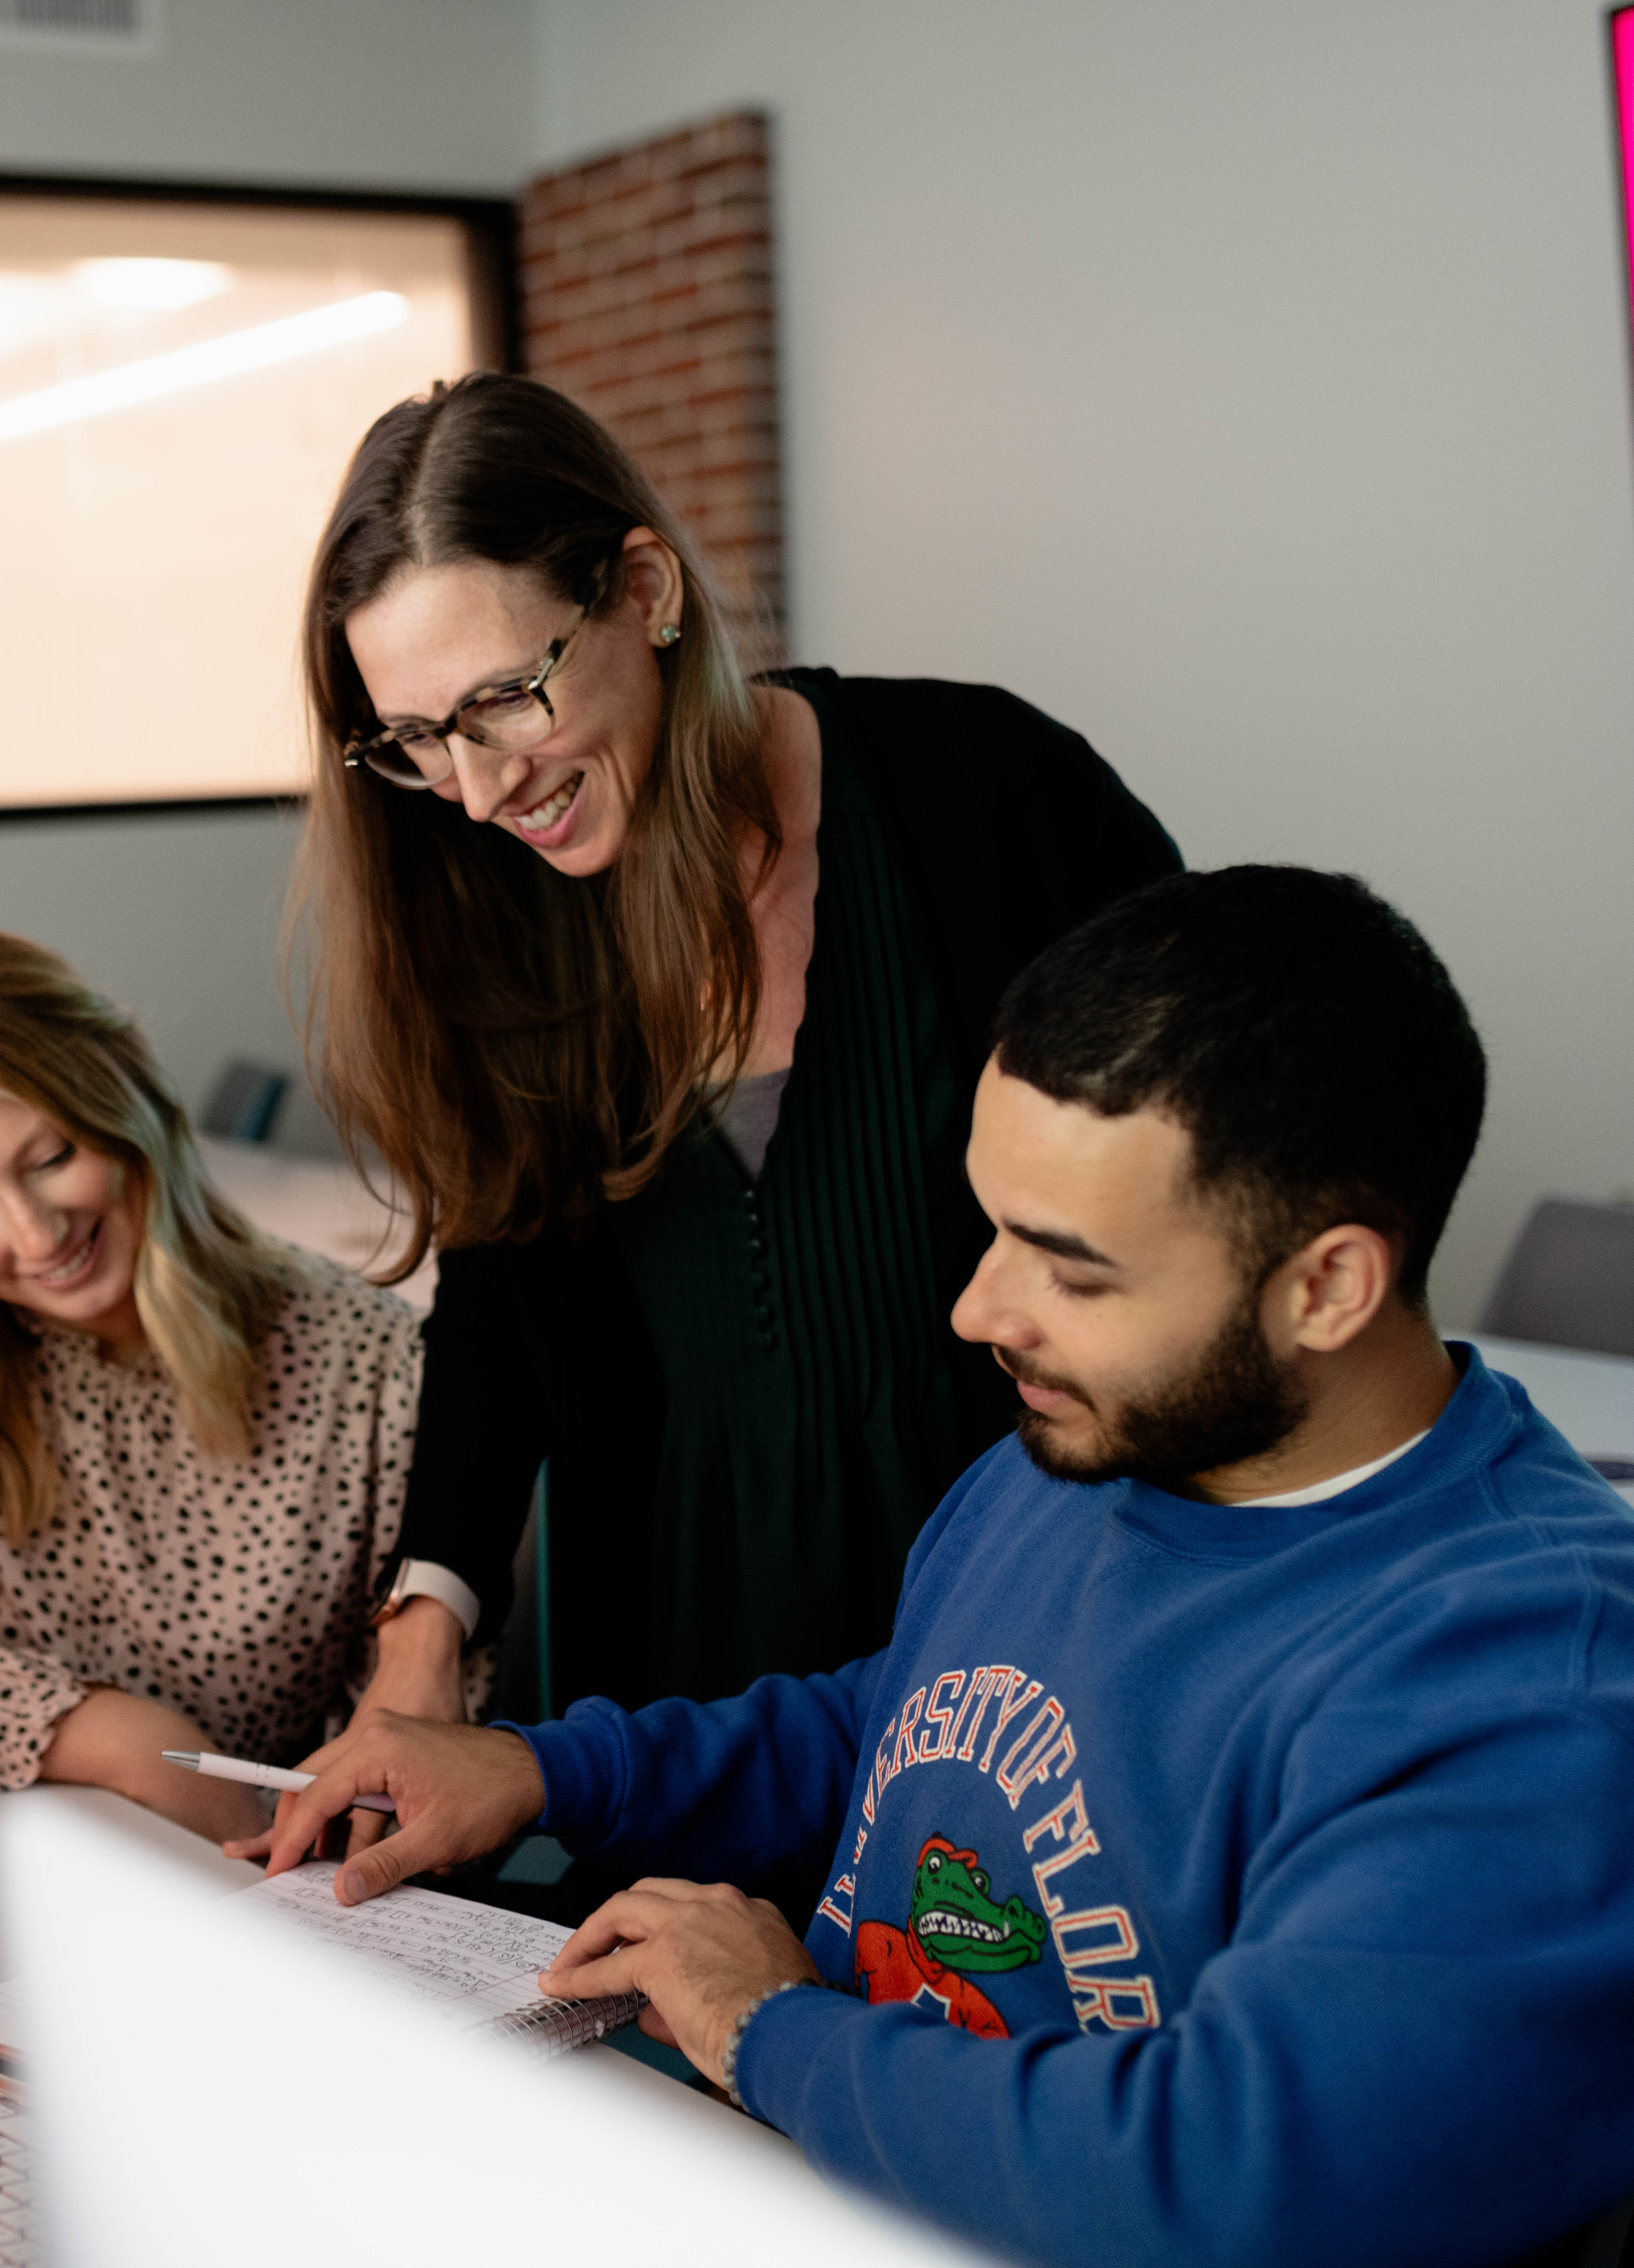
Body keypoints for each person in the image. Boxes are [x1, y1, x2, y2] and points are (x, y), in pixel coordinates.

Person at [252, 868, 1634, 2268]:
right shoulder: (1086, 1452)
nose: (979, 1310)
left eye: (1068, 1266)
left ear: (1325, 1286)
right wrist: (541, 1771)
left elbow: (1228, 2183)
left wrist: (770, 2027)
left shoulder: (1550, 1699)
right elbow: (904, 1727)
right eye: (987, 1231)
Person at [300, 373, 1183, 1757]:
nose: (474, 793)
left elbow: (1209, 1194)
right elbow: (499, 1303)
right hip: (673, 1688)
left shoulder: (991, 792)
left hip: (1036, 1634)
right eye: (414, 741)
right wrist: (417, 1645)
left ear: (643, 587)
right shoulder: (495, 920)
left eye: (500, 703)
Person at [0, 923, 430, 1846]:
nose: (36, 1236)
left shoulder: (367, 1360)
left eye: (52, 1158)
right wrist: (118, 1738)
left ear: (124, 1095)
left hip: (240, 1894)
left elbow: (412, 1773)